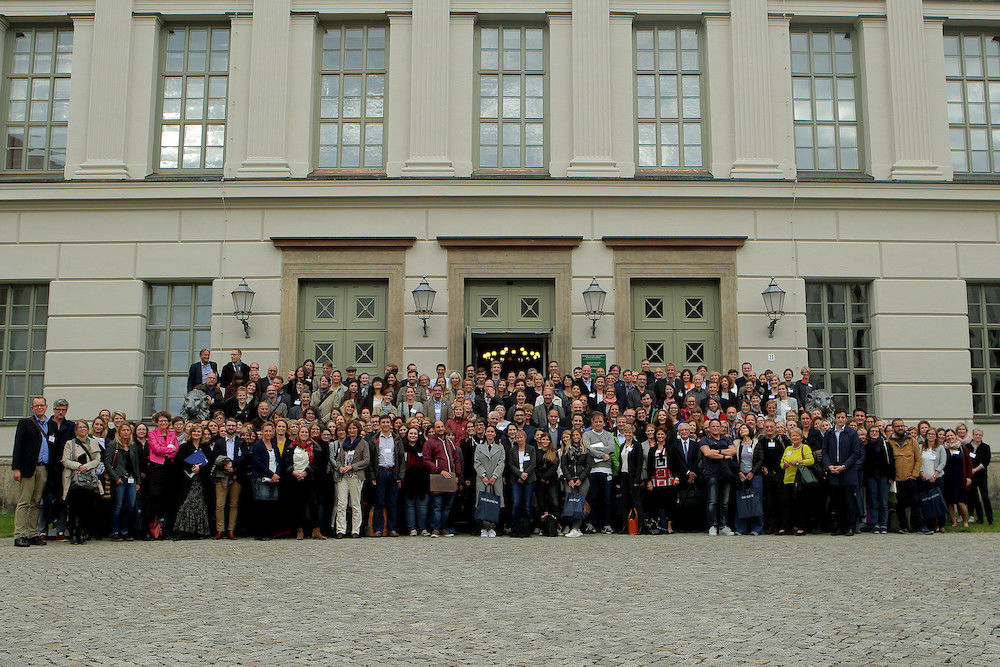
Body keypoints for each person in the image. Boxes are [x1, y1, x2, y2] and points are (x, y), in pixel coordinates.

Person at [11, 396, 51, 547]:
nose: (40, 408)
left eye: (42, 405)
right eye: (37, 405)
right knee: (24, 501)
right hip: (28, 467)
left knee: (36, 502)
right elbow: (18, 446)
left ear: (46, 407)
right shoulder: (25, 423)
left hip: (43, 467)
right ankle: (19, 534)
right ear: (32, 408)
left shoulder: (50, 424)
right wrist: (16, 468)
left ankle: (33, 533)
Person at [61, 420, 104, 545]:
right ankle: (73, 532)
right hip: (75, 478)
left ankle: (84, 531)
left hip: (89, 478)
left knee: (87, 507)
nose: (82, 429)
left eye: (84, 427)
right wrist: (78, 466)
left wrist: (87, 466)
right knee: (74, 507)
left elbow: (97, 459)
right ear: (76, 430)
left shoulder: (93, 442)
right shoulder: (70, 443)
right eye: (79, 427)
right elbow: (65, 460)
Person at [822, 409, 862, 536]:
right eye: (838, 417)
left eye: (842, 417)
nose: (840, 419)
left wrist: (844, 466)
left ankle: (850, 526)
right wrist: (829, 466)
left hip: (847, 471)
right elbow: (825, 452)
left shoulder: (851, 433)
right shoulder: (829, 433)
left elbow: (855, 453)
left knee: (849, 501)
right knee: (836, 501)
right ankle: (838, 526)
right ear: (835, 418)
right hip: (833, 471)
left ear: (846, 418)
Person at [173, 423, 213, 539]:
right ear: (191, 433)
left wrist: (200, 468)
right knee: (187, 503)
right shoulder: (185, 446)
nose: (196, 434)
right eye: (194, 431)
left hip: (201, 480)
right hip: (188, 480)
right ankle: (184, 530)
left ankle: (198, 531)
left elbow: (210, 462)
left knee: (199, 505)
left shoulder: (205, 447)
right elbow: (179, 462)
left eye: (199, 432)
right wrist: (191, 468)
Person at [103, 422, 142, 541]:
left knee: (130, 506)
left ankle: (125, 530)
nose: (126, 432)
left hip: (131, 479)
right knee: (118, 506)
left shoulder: (133, 445)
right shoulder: (113, 445)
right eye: (123, 430)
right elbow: (107, 463)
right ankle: (115, 531)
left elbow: (136, 465)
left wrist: (138, 481)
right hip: (119, 479)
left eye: (128, 430)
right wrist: (116, 478)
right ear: (119, 432)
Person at [211, 417, 249, 539]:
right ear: (225, 426)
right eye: (229, 425)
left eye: (233, 425)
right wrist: (226, 465)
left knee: (234, 504)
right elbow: (215, 458)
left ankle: (231, 530)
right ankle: (220, 529)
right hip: (221, 475)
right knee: (220, 504)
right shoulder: (219, 442)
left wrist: (233, 464)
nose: (231, 428)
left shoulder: (242, 442)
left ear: (236, 427)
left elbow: (245, 457)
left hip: (236, 475)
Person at [424, 420, 462, 537]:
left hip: (451, 478)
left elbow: (456, 459)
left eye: (442, 426)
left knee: (448, 506)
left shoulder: (450, 442)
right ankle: (435, 529)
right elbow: (426, 460)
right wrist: (439, 470)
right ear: (434, 429)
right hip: (438, 478)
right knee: (437, 506)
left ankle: (445, 528)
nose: (440, 428)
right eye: (438, 427)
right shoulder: (430, 443)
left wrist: (457, 475)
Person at [368, 414, 405, 537]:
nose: (385, 424)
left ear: (391, 424)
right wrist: (373, 477)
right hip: (380, 472)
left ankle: (392, 528)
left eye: (387, 422)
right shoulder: (374, 439)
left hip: (393, 472)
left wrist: (400, 477)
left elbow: (401, 459)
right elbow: (371, 460)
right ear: (379, 424)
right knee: (379, 502)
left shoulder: (397, 439)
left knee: (393, 502)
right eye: (382, 422)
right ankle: (378, 529)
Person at [699, 418, 737, 536]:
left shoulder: (727, 439)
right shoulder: (705, 440)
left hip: (726, 474)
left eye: (717, 426)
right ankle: (713, 525)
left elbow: (733, 451)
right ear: (709, 428)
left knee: (725, 501)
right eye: (713, 426)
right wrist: (724, 456)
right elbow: (707, 453)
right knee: (712, 501)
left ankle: (723, 525)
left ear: (721, 428)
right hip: (712, 474)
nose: (716, 428)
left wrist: (717, 451)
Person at [146, 411, 180, 539]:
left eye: (165, 421)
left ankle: (165, 529)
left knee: (168, 499)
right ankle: (152, 528)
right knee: (155, 497)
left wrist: (167, 451)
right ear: (156, 422)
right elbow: (156, 449)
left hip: (169, 467)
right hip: (156, 469)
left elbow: (176, 450)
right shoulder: (152, 433)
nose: (163, 423)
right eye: (161, 421)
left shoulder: (172, 433)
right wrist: (169, 449)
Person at [333, 420, 369, 538]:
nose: (351, 430)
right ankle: (340, 530)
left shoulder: (363, 443)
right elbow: (338, 459)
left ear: (358, 430)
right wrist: (340, 467)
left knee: (355, 503)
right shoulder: (345, 443)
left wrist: (352, 467)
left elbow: (366, 460)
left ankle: (355, 530)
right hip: (343, 476)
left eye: (354, 428)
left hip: (355, 476)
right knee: (341, 504)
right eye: (350, 428)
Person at [283, 424, 319, 540]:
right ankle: (299, 530)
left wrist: (306, 472)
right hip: (295, 479)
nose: (304, 434)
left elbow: (317, 463)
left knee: (313, 504)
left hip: (310, 479)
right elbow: (286, 461)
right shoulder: (291, 446)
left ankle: (316, 530)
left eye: (306, 433)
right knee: (298, 505)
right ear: (298, 434)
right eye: (302, 432)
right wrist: (294, 472)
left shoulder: (314, 446)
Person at [888, 418, 922, 534]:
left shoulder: (912, 441)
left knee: (916, 503)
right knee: (900, 505)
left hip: (911, 478)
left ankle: (918, 526)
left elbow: (918, 459)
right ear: (893, 428)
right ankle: (903, 527)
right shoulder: (889, 442)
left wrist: (914, 475)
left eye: (902, 425)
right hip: (897, 479)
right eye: (898, 426)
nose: (901, 428)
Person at [583, 412, 616, 534]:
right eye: (595, 422)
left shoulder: (608, 435)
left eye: (600, 421)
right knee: (593, 498)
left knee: (606, 499)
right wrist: (602, 454)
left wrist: (595, 449)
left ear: (604, 423)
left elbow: (611, 448)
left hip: (606, 471)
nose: (598, 424)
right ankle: (591, 524)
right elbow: (587, 448)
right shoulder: (587, 434)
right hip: (593, 470)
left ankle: (606, 524)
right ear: (592, 423)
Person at [250, 421, 283, 540]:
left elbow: (279, 461)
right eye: (266, 431)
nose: (268, 433)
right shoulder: (257, 446)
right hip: (261, 478)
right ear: (262, 432)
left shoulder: (274, 445)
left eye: (270, 431)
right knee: (261, 507)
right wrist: (271, 474)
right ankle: (260, 532)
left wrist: (277, 474)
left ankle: (270, 532)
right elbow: (257, 462)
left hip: (274, 479)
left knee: (271, 507)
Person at [779, 427, 814, 536]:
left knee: (800, 503)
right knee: (787, 504)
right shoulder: (788, 449)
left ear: (801, 437)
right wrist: (784, 465)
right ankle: (786, 527)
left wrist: (798, 462)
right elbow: (781, 462)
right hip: (788, 479)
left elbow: (811, 460)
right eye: (792, 435)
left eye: (796, 435)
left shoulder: (805, 447)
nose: (794, 437)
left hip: (799, 480)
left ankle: (801, 526)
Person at [474, 424, 506, 538]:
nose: (490, 433)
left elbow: (501, 463)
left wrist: (494, 476)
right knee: (483, 503)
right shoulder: (479, 447)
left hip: (495, 480)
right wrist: (483, 476)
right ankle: (483, 527)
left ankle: (492, 527)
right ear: (485, 433)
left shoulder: (500, 447)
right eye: (488, 431)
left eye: (492, 431)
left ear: (495, 433)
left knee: (494, 503)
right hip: (482, 479)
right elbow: (476, 462)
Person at [734, 423, 764, 536]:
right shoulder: (737, 444)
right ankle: (741, 528)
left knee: (756, 501)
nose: (742, 430)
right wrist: (739, 472)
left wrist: (753, 472)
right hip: (741, 475)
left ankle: (757, 528)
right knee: (742, 501)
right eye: (741, 429)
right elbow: (734, 459)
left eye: (745, 428)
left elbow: (761, 459)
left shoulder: (756, 443)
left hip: (754, 475)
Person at [506, 428, 537, 535]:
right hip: (515, 479)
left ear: (525, 438)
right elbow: (511, 465)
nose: (519, 439)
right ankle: (514, 527)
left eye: (521, 437)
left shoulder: (531, 449)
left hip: (529, 479)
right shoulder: (512, 450)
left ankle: (528, 527)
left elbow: (533, 464)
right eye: (517, 437)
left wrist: (525, 475)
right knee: (516, 504)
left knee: (527, 505)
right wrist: (519, 474)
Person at [863, 425, 893, 535]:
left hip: (884, 475)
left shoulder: (885, 445)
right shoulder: (866, 446)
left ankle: (884, 523)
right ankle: (875, 523)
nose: (874, 433)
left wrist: (891, 476)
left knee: (884, 501)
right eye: (872, 431)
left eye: (876, 431)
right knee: (873, 500)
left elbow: (891, 461)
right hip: (871, 476)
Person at [401, 425, 430, 536]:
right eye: (411, 433)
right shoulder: (402, 447)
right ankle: (412, 528)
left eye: (415, 433)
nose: (413, 435)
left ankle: (423, 528)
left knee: (422, 507)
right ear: (407, 435)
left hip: (422, 480)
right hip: (408, 480)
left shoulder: (423, 447)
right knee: (409, 506)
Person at [646, 426, 675, 534]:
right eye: (658, 434)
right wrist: (649, 480)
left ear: (666, 436)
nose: (660, 436)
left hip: (669, 479)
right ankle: (659, 525)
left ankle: (669, 526)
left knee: (669, 503)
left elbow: (675, 464)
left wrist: (676, 477)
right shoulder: (652, 450)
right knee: (657, 503)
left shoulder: (671, 448)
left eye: (662, 434)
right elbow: (649, 466)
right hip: (656, 480)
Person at [942, 429, 973, 529]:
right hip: (947, 478)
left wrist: (969, 477)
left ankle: (965, 521)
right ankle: (954, 521)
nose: (950, 438)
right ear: (945, 438)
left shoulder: (963, 448)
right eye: (948, 436)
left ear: (955, 436)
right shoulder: (943, 449)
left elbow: (969, 464)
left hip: (959, 478)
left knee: (961, 502)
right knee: (949, 502)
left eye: (951, 435)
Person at [616, 423, 644, 531]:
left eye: (629, 432)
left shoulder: (637, 445)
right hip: (623, 476)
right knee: (624, 501)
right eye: (626, 432)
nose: (627, 434)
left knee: (636, 501)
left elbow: (639, 464)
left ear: (633, 433)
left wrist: (637, 480)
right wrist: (618, 479)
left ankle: (640, 525)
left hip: (633, 477)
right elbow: (620, 463)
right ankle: (625, 526)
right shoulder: (622, 446)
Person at [919, 429, 947, 534]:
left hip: (937, 478)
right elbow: (918, 461)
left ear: (936, 436)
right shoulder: (921, 447)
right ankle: (931, 524)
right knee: (928, 502)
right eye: (929, 434)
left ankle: (942, 524)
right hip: (925, 478)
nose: (931, 436)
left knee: (939, 501)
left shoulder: (940, 448)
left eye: (933, 434)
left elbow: (943, 462)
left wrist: (935, 475)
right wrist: (922, 473)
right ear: (926, 436)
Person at [967, 428, 993, 525]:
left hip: (981, 475)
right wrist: (970, 471)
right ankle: (980, 518)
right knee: (975, 498)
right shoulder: (967, 447)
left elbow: (986, 461)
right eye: (976, 434)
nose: (978, 436)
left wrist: (976, 469)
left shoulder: (986, 447)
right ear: (973, 435)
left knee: (985, 497)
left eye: (980, 435)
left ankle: (990, 519)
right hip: (971, 476)